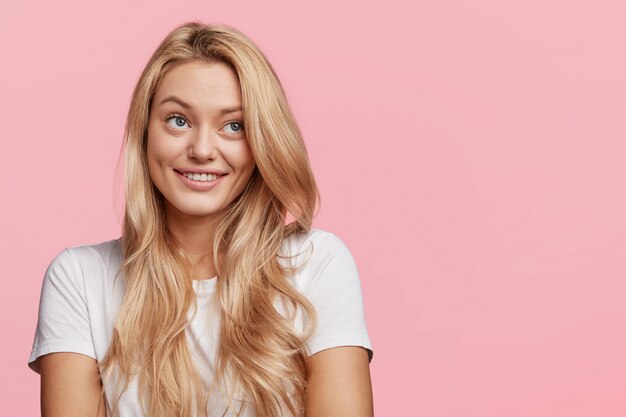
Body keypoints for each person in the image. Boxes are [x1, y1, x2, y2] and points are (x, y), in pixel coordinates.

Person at [27, 21, 374, 417]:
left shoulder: (317, 264)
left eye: (234, 126)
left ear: (262, 140)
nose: (203, 150)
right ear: (144, 132)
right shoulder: (79, 279)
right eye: (179, 120)